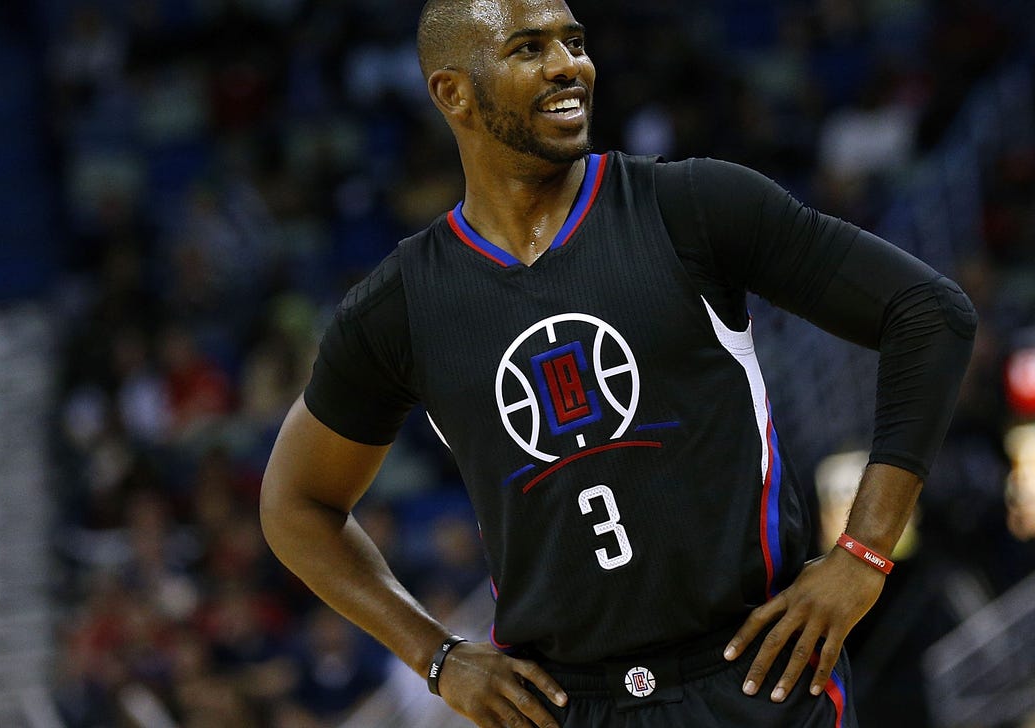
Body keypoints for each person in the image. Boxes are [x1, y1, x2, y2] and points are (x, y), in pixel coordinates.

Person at [259, 0, 977, 726]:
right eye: (529, 48)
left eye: (574, 42)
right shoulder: (401, 308)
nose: (570, 64)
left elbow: (929, 313)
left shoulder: (691, 206)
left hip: (758, 681)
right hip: (570, 705)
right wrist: (436, 657)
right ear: (453, 93)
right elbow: (295, 506)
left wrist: (863, 553)